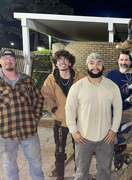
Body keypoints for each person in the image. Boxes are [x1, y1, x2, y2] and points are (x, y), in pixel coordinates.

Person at [0, 50, 44, 180]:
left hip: (29, 132)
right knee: (9, 164)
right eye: (5, 58)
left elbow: (38, 99)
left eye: (11, 58)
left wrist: (34, 119)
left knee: (36, 162)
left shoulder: (27, 81)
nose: (8, 60)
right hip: (6, 134)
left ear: (15, 61)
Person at [65, 53, 122, 180]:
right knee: (81, 172)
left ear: (103, 66)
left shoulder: (112, 87)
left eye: (98, 63)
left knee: (104, 172)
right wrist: (74, 132)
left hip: (105, 138)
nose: (95, 66)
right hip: (83, 138)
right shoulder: (77, 87)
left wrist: (114, 130)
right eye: (92, 63)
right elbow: (69, 110)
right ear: (87, 65)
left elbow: (118, 110)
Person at [41, 50, 85, 180]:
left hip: (78, 120)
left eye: (65, 59)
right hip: (60, 121)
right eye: (59, 60)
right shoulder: (51, 78)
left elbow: (87, 94)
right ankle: (60, 175)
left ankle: (80, 174)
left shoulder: (79, 76)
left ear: (70, 62)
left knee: (80, 149)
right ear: (56, 63)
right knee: (59, 150)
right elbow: (46, 96)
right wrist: (54, 108)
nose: (62, 62)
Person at [105, 50, 132, 170]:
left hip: (127, 113)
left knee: (123, 139)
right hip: (110, 113)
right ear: (118, 61)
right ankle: (105, 164)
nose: (124, 62)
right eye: (122, 60)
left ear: (131, 62)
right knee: (107, 139)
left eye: (126, 60)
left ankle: (119, 163)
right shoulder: (110, 75)